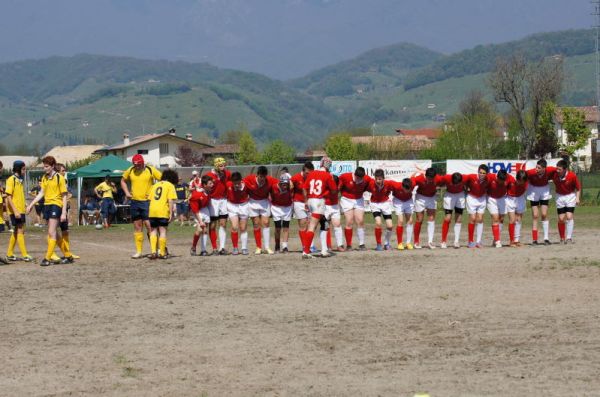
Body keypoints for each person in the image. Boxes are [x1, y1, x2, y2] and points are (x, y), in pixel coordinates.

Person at [26, 156, 74, 266]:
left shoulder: (59, 178)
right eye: (44, 166)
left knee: (51, 232)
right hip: (47, 206)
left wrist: (63, 213)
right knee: (55, 234)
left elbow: (64, 196)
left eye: (46, 166)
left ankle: (47, 259)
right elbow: (41, 193)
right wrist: (31, 205)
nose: (44, 168)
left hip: (56, 205)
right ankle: (68, 255)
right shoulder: (44, 178)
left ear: (52, 166)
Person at [120, 154, 162, 259]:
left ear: (143, 162)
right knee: (137, 227)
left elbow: (163, 181)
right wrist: (127, 192)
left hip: (147, 202)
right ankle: (139, 252)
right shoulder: (130, 170)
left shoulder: (150, 170)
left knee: (149, 226)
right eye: (135, 165)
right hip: (134, 202)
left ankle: (156, 249)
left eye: (138, 165)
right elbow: (122, 181)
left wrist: (154, 192)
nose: (136, 166)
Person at [301, 156, 337, 259]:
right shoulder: (328, 175)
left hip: (311, 200)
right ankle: (306, 251)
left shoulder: (312, 173)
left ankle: (324, 250)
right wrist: (327, 191)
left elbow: (304, 188)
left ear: (321, 164)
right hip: (319, 202)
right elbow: (334, 190)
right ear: (329, 166)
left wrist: (306, 200)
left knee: (324, 223)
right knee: (312, 226)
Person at [244, 166, 278, 255]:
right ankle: (258, 247)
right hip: (252, 202)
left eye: (264, 177)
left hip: (264, 202)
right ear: (257, 175)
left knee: (266, 223)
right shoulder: (249, 179)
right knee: (256, 224)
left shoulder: (270, 180)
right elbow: (241, 185)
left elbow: (280, 183)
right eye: (260, 177)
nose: (262, 179)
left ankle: (267, 247)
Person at [4, 160, 33, 263]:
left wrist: (26, 204)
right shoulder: (11, 180)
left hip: (20, 210)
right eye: (23, 169)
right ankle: (25, 255)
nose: (25, 171)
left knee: (17, 231)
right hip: (15, 211)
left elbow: (19, 196)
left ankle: (9, 254)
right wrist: (15, 211)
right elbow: (8, 197)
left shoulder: (19, 180)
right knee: (20, 229)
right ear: (18, 169)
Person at [148, 169, 178, 259]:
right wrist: (171, 213)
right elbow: (170, 200)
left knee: (153, 231)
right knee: (162, 231)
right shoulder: (170, 185)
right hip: (162, 211)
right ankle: (162, 253)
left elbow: (150, 199)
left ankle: (153, 252)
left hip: (152, 211)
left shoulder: (155, 185)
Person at [338, 167, 372, 250]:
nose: (358, 180)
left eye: (360, 178)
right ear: (354, 174)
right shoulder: (345, 177)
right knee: (349, 221)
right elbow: (338, 188)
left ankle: (362, 244)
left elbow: (370, 186)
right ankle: (349, 245)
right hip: (346, 199)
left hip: (359, 199)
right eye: (357, 177)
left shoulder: (367, 179)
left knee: (360, 221)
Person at [526, 159, 557, 245]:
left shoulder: (550, 170)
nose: (536, 169)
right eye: (536, 167)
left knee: (544, 214)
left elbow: (558, 170)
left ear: (544, 168)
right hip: (533, 190)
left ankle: (546, 238)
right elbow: (522, 175)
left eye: (539, 168)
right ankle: (534, 240)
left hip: (544, 190)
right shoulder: (531, 172)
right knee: (535, 215)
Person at [205, 158, 231, 255]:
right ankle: (214, 248)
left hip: (223, 200)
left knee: (223, 224)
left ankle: (222, 248)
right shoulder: (209, 175)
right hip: (213, 201)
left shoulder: (227, 174)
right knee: (212, 225)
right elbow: (204, 187)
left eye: (224, 165)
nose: (223, 167)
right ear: (216, 165)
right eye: (221, 165)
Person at [412, 167, 443, 249]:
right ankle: (416, 241)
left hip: (431, 197)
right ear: (426, 176)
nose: (430, 180)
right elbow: (411, 182)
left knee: (431, 218)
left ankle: (430, 241)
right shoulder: (419, 178)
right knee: (419, 219)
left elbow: (445, 181)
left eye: (432, 179)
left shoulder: (438, 178)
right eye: (429, 178)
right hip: (420, 198)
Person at [553, 159, 581, 244]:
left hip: (570, 197)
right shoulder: (554, 175)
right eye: (557, 169)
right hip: (559, 197)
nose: (557, 171)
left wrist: (577, 198)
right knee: (561, 219)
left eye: (559, 169)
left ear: (565, 169)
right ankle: (562, 238)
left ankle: (569, 238)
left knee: (569, 216)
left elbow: (578, 188)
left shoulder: (572, 176)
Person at [55, 163, 79, 260]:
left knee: (65, 231)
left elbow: (67, 193)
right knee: (52, 231)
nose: (64, 172)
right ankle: (51, 253)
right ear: (58, 172)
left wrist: (68, 196)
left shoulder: (64, 180)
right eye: (63, 171)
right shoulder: (54, 180)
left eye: (64, 170)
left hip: (64, 208)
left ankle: (67, 252)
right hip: (56, 207)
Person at [368, 169, 395, 251]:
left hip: (385, 204)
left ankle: (386, 243)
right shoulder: (371, 183)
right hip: (375, 204)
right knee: (378, 223)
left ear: (383, 178)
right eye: (376, 179)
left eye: (379, 179)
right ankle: (379, 244)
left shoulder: (388, 183)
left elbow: (398, 186)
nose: (378, 181)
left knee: (390, 226)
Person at [464, 164, 490, 248]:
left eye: (484, 173)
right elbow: (463, 181)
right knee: (472, 218)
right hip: (471, 198)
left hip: (482, 199)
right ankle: (470, 241)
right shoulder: (471, 177)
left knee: (480, 219)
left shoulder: (488, 179)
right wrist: (466, 189)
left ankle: (479, 241)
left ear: (486, 174)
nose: (481, 174)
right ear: (478, 171)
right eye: (480, 172)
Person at [291, 162, 315, 252]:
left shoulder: (313, 178)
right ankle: (305, 246)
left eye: (311, 173)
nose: (309, 175)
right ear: (303, 171)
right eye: (307, 173)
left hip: (310, 202)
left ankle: (310, 246)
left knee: (310, 224)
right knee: (303, 224)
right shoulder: (296, 177)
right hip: (299, 203)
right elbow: (290, 187)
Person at [226, 172, 250, 255]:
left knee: (243, 228)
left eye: (238, 183)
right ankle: (235, 248)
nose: (236, 185)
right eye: (234, 183)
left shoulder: (246, 185)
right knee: (234, 227)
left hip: (244, 206)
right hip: (232, 206)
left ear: (241, 180)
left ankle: (244, 248)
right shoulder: (228, 184)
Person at [440, 172, 466, 249]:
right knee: (448, 218)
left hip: (460, 195)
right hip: (449, 195)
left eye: (458, 184)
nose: (456, 185)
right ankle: (443, 241)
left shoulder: (465, 178)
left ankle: (456, 241)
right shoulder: (446, 177)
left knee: (458, 219)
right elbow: (439, 181)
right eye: (454, 183)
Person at [189, 175, 213, 256]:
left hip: (205, 210)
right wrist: (200, 220)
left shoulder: (208, 191)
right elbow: (195, 209)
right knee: (199, 230)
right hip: (198, 211)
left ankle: (203, 250)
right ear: (205, 185)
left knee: (205, 231)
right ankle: (193, 247)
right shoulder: (197, 194)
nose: (212, 184)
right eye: (210, 183)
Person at [270, 174, 294, 253]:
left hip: (287, 207)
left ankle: (285, 246)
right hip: (276, 208)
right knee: (277, 228)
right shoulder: (273, 187)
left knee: (286, 227)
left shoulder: (290, 188)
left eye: (286, 183)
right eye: (283, 183)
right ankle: (277, 245)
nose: (285, 185)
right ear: (280, 183)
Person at [486, 169, 509, 248]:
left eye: (503, 181)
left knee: (501, 219)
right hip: (491, 199)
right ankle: (498, 241)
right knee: (495, 218)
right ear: (497, 177)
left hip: (502, 198)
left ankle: (495, 239)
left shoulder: (509, 178)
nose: (501, 182)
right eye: (500, 180)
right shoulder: (490, 177)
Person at [391, 177, 415, 250]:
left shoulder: (412, 184)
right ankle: (400, 243)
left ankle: (408, 243)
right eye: (406, 189)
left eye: (409, 190)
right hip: (398, 201)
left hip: (408, 201)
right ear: (402, 186)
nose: (407, 191)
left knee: (410, 221)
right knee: (400, 221)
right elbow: (387, 184)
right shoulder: (396, 185)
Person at [506, 170, 528, 247]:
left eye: (522, 181)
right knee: (512, 220)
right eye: (519, 181)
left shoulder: (526, 182)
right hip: (510, 199)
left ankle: (517, 240)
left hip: (520, 198)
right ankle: (511, 241)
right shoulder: (510, 179)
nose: (520, 183)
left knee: (518, 220)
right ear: (516, 178)